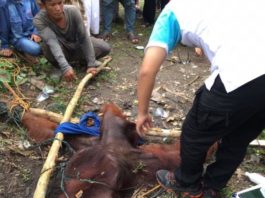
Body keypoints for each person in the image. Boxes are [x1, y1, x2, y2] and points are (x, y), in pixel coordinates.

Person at [136, 0, 265, 197]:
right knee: (239, 136)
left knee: (195, 132)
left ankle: (186, 182)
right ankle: (213, 185)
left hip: (241, 73)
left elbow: (147, 70)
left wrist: (142, 112)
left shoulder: (172, 11)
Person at [34, 0, 110, 82]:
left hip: (76, 44)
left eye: (60, 3)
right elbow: (53, 43)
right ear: (44, 6)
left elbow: (84, 38)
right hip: (61, 48)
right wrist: (65, 67)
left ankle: (84, 61)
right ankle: (59, 66)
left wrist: (91, 63)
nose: (58, 8)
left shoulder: (72, 11)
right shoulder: (39, 20)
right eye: (52, 5)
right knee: (47, 46)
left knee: (104, 47)